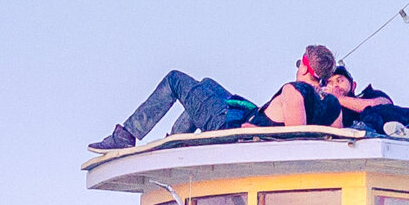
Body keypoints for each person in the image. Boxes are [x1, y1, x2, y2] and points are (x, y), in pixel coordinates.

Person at [87, 45, 346, 151]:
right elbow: (336, 140)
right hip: (242, 112)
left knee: (175, 79)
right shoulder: (332, 103)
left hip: (228, 123)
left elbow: (296, 140)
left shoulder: (294, 91)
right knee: (206, 84)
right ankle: (177, 138)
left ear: (303, 67)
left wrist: (255, 131)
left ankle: (126, 136)